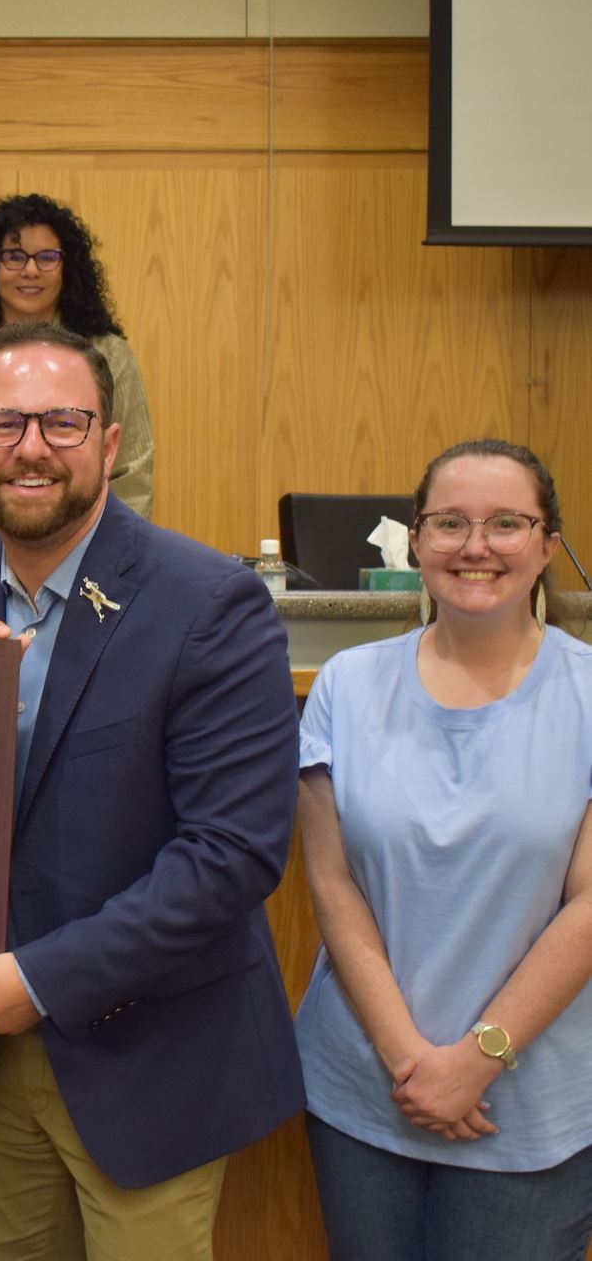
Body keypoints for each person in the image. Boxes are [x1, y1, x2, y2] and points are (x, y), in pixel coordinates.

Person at [0, 323, 302, 1260]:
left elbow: (230, 857)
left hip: (147, 1056)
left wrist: (42, 981)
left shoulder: (208, 600)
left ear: (110, 445)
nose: (31, 447)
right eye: (2, 423)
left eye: (62, 422)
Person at [295, 439, 592, 1261]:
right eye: (449, 522)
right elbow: (331, 883)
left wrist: (477, 1058)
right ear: (415, 540)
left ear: (546, 543)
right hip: (365, 1089)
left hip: (529, 1108)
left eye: (505, 522)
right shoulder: (346, 686)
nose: (475, 545)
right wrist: (408, 1060)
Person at [0, 193, 155, 530]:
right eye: (14, 256)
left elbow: (133, 477)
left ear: (67, 267)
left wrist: (104, 564)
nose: (30, 270)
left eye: (47, 257)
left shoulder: (110, 356)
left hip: (83, 564)